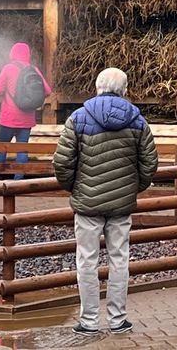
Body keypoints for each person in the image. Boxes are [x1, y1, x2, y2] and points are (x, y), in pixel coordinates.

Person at [52, 67, 158, 336]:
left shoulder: (78, 118)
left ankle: (88, 321)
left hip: (87, 205)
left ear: (97, 87)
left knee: (87, 261)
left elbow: (62, 162)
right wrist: (133, 188)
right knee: (120, 260)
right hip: (121, 205)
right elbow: (149, 164)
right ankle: (118, 319)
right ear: (124, 90)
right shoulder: (138, 121)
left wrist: (74, 188)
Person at [0, 42, 51, 180]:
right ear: (27, 54)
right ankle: (18, 180)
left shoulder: (8, 68)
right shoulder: (33, 69)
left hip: (8, 118)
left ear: (12, 53)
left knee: (2, 148)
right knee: (22, 150)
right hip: (27, 119)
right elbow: (47, 91)